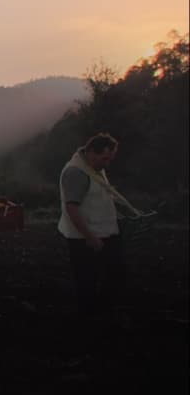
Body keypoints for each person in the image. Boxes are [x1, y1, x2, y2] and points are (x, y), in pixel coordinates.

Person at [58, 133, 125, 318]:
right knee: (87, 279)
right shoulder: (76, 172)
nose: (107, 163)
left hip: (103, 232)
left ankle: (101, 312)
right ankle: (90, 318)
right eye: (105, 158)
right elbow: (71, 208)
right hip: (84, 238)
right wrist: (89, 236)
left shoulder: (93, 167)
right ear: (90, 152)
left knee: (115, 272)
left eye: (110, 159)